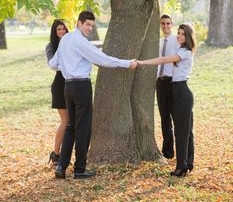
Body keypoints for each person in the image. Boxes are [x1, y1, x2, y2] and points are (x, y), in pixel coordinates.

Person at [49, 10, 137, 180]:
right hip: (81, 86)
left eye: (92, 25)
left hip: (68, 87)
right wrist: (127, 64)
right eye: (87, 24)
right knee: (82, 129)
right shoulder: (81, 42)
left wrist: (68, 66)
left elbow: (53, 64)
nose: (89, 28)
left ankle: (61, 166)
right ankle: (80, 170)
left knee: (70, 127)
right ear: (79, 23)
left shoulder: (65, 39)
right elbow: (102, 59)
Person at [137, 24, 196, 177]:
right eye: (179, 33)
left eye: (183, 34)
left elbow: (163, 59)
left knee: (182, 132)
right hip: (178, 91)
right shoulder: (180, 49)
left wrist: (143, 63)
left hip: (182, 92)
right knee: (186, 130)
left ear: (188, 37)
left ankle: (181, 167)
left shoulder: (185, 52)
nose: (179, 36)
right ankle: (188, 163)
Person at [45, 19, 69, 165]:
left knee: (73, 123)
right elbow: (53, 66)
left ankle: (64, 154)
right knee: (65, 121)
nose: (61, 32)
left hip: (73, 84)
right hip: (60, 85)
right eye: (58, 29)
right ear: (54, 32)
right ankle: (56, 153)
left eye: (64, 29)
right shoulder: (51, 46)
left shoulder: (71, 43)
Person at [156, 14, 178, 159]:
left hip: (172, 82)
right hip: (160, 83)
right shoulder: (158, 42)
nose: (165, 26)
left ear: (172, 24)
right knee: (164, 118)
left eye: (168, 23)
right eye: (163, 23)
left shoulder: (176, 40)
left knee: (176, 117)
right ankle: (168, 151)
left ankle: (182, 149)